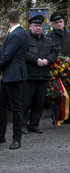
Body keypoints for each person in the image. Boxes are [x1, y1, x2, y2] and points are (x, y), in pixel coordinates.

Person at [22, 15, 58, 135]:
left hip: (43, 76)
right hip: (29, 76)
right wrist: (36, 60)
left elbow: (54, 53)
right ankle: (23, 125)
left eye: (40, 26)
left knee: (39, 102)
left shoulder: (48, 40)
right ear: (30, 26)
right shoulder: (25, 39)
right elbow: (24, 53)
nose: (38, 28)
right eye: (35, 26)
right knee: (25, 102)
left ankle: (34, 124)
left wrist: (47, 60)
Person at [46, 11, 70, 124]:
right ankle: (56, 117)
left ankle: (69, 116)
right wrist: (60, 60)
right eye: (56, 23)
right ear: (53, 24)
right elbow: (47, 53)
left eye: (61, 22)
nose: (59, 24)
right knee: (56, 93)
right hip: (54, 70)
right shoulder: (48, 37)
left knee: (69, 92)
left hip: (69, 69)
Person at [0, 9, 29, 149]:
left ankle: (17, 139)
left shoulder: (17, 34)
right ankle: (1, 136)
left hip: (14, 76)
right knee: (2, 106)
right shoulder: (16, 33)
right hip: (9, 75)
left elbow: (7, 56)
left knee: (16, 108)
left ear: (7, 20)